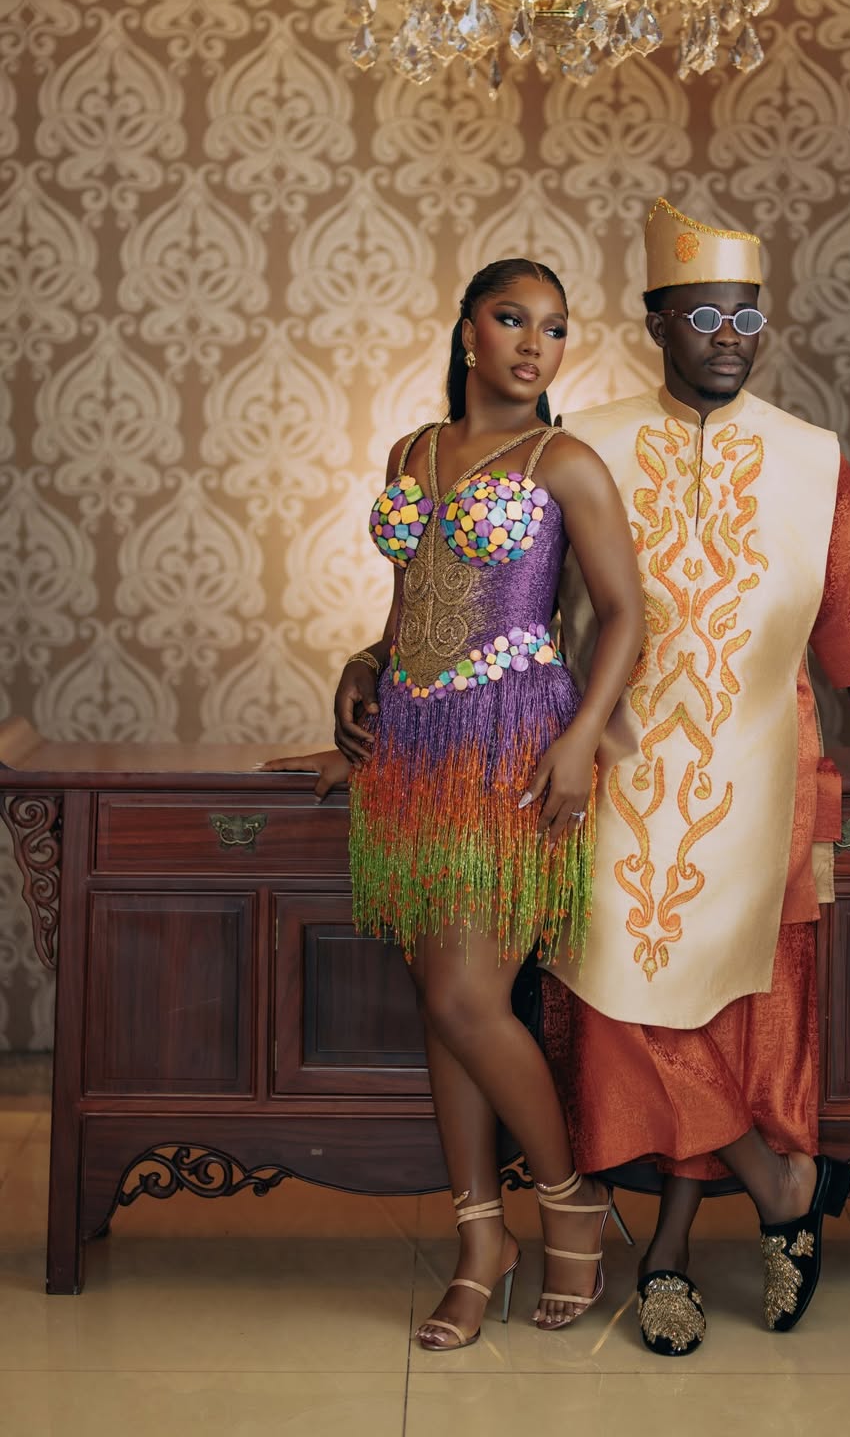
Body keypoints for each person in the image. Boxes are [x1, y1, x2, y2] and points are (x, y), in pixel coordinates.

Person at [535, 197, 850, 1353]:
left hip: (760, 772)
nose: (727, 335)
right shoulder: (589, 440)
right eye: (702, 314)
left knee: (732, 1017)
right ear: (657, 322)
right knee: (621, 1000)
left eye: (745, 316)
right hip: (610, 770)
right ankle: (784, 1191)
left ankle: (666, 1254)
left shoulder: (812, 459)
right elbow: (516, 595)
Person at [265, 258, 645, 1351]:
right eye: (513, 319)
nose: (536, 344)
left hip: (515, 745)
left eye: (557, 329)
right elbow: (420, 601)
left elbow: (622, 617)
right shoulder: (414, 453)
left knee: (471, 1000)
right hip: (415, 751)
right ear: (468, 333)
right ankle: (484, 1237)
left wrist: (578, 743)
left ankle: (570, 1203)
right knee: (445, 999)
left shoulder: (566, 462)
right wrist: (366, 661)